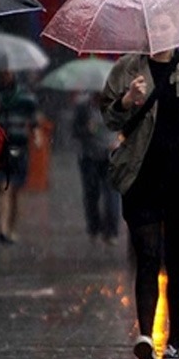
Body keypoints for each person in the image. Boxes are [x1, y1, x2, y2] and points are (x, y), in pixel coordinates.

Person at [100, 8, 179, 359]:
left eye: (164, 25)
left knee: (176, 258)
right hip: (141, 176)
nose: (158, 32)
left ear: (175, 28)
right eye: (152, 26)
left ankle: (173, 341)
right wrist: (127, 100)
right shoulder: (127, 68)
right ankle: (146, 334)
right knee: (147, 254)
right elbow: (109, 116)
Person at [0, 69, 41, 244]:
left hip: (20, 148)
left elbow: (33, 121)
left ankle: (11, 229)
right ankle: (2, 229)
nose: (5, 76)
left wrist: (36, 136)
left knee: (16, 192)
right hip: (0, 149)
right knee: (3, 189)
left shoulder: (26, 97)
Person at [71, 91, 120, 245]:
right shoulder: (83, 107)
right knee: (91, 195)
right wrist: (87, 129)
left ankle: (111, 231)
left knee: (112, 196)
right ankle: (94, 227)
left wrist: (119, 142)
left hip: (110, 157)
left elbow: (125, 127)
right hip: (89, 157)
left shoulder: (117, 105)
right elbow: (75, 131)